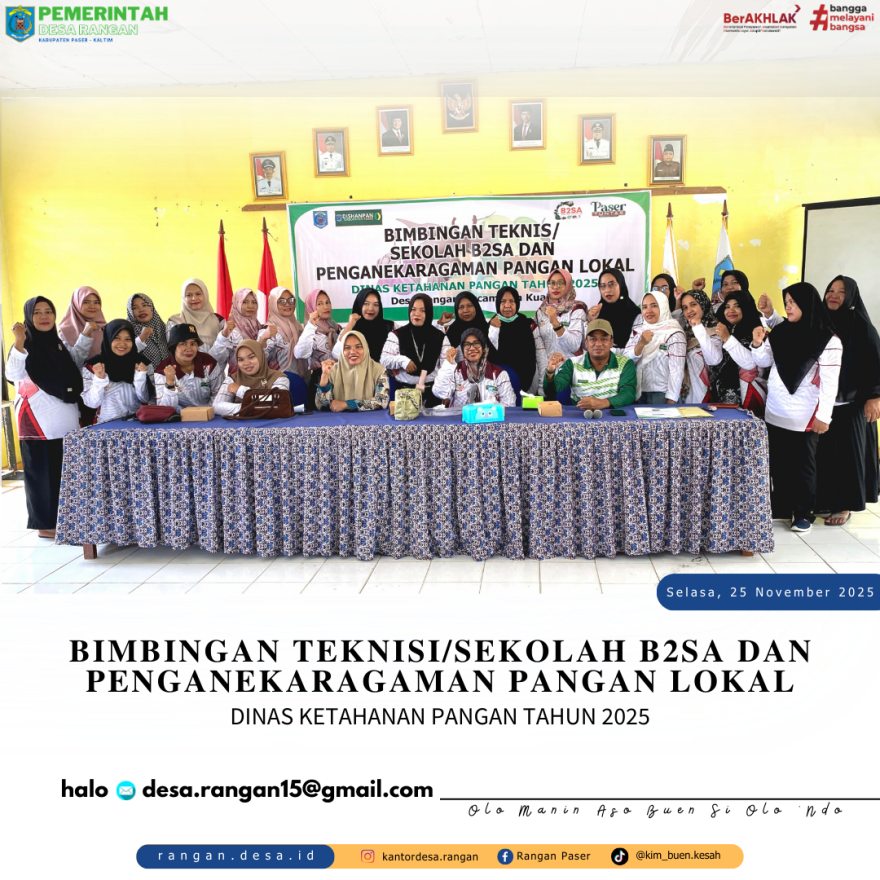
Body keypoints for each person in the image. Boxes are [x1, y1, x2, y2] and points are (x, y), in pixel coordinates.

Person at [751, 283, 843, 533]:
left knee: (803, 466)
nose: (788, 307)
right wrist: (758, 344)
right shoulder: (781, 331)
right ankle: (781, 506)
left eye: (793, 302)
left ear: (807, 304)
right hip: (776, 409)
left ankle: (804, 513)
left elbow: (830, 383)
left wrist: (824, 416)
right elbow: (765, 362)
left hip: (805, 414)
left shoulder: (828, 339)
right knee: (778, 463)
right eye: (787, 302)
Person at [6, 297, 94, 537]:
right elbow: (13, 374)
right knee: (42, 474)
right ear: (28, 317)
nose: (44, 316)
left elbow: (74, 364)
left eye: (48, 311)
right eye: (37, 312)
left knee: (62, 472)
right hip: (38, 422)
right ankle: (45, 525)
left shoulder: (56, 344)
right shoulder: (25, 345)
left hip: (64, 419)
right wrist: (19, 341)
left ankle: (65, 519)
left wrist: (86, 335)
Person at [815, 276, 880, 525]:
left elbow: (875, 362)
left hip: (852, 403)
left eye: (841, 291)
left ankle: (844, 505)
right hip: (823, 402)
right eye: (830, 290)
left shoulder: (861, 325)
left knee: (847, 455)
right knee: (824, 454)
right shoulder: (819, 321)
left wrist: (875, 396)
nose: (833, 295)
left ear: (851, 296)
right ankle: (825, 500)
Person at [543, 319, 637, 410]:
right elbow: (551, 391)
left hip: (613, 415)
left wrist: (602, 403)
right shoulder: (572, 363)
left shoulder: (625, 363)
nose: (598, 344)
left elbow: (628, 394)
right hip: (580, 416)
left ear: (611, 342)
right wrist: (550, 371)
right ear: (586, 343)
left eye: (604, 339)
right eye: (593, 339)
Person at [381, 293, 450, 406]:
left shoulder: (440, 337)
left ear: (429, 312)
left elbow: (446, 368)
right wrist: (402, 361)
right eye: (413, 309)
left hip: (433, 394)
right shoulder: (397, 335)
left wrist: (446, 393)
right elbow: (384, 360)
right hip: (404, 394)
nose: (417, 314)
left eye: (422, 310)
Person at [706, 290, 769, 414]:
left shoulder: (758, 333)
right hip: (720, 398)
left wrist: (727, 339)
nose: (731, 310)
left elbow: (750, 364)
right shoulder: (723, 330)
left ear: (746, 308)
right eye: (727, 307)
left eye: (737, 306)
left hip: (748, 399)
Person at [81, 320, 153, 424]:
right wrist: (99, 380)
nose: (122, 343)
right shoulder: (93, 366)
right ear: (108, 338)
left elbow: (146, 399)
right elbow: (92, 403)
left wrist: (140, 377)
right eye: (117, 338)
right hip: (107, 425)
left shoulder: (143, 364)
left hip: (137, 424)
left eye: (128, 339)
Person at [625, 292, 686, 404]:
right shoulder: (638, 331)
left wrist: (671, 400)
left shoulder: (674, 333)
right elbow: (626, 361)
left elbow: (677, 371)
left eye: (654, 305)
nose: (648, 311)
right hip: (637, 393)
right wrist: (641, 344)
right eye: (644, 307)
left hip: (662, 395)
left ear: (663, 306)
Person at [487, 285, 547, 394]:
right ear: (497, 304)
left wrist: (542, 384)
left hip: (528, 384)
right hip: (498, 387)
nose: (507, 305)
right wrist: (493, 329)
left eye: (512, 301)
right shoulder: (491, 325)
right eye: (503, 301)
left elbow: (540, 353)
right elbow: (490, 355)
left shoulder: (528, 324)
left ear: (517, 303)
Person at [433, 328, 516, 407]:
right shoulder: (455, 371)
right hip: (460, 416)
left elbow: (509, 405)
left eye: (476, 343)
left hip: (489, 416)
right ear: (462, 349)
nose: (472, 348)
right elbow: (440, 393)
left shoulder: (498, 373)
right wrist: (448, 364)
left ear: (483, 347)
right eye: (466, 344)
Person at [154, 323, 225, 411]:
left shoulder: (209, 363)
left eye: (193, 343)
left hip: (209, 413)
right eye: (183, 343)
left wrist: (207, 412)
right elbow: (164, 409)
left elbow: (218, 395)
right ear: (174, 347)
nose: (189, 349)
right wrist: (169, 385)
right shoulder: (162, 371)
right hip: (178, 416)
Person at [316, 331, 390, 412]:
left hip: (369, 418)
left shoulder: (378, 370)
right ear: (342, 351)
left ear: (365, 348)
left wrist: (347, 405)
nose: (353, 352)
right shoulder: (332, 370)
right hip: (337, 418)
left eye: (358, 347)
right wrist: (325, 375)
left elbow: (382, 401)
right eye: (347, 348)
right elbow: (321, 405)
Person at [213, 340, 290, 417]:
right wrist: (249, 408)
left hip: (272, 423)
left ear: (260, 356)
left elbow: (278, 402)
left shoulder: (279, 378)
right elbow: (217, 406)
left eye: (251, 357)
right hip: (241, 423)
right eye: (241, 360)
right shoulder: (232, 379)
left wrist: (241, 391)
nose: (246, 363)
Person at [293, 289, 341, 411]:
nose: (326, 306)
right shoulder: (310, 332)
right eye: (320, 304)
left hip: (340, 380)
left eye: (327, 302)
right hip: (320, 381)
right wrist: (311, 326)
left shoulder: (336, 328)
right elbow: (300, 354)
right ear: (311, 307)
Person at [166, 278, 234, 362]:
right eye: (189, 295)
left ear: (205, 294)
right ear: (183, 297)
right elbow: (175, 353)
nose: (194, 298)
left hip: (217, 369)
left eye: (198, 294)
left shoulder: (219, 320)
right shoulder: (175, 322)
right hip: (187, 370)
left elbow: (225, 355)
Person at [223, 287, 288, 372]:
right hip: (238, 376)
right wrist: (263, 339)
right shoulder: (229, 330)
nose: (250, 306)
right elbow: (221, 358)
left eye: (254, 302)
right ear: (236, 304)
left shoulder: (260, 327)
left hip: (261, 376)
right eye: (245, 302)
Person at [679, 290, 723, 404]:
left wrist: (698, 327)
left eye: (693, 304)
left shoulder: (716, 330)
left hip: (707, 399)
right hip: (685, 399)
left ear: (703, 304)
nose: (689, 310)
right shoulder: (684, 334)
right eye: (684, 307)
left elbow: (714, 359)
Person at [534, 269, 588, 358]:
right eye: (552, 283)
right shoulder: (541, 311)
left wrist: (556, 324)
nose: (555, 287)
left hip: (572, 365)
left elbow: (574, 346)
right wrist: (546, 367)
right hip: (549, 366)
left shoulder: (577, 309)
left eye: (561, 283)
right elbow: (539, 349)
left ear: (568, 285)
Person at [588, 268, 642, 355]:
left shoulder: (634, 313)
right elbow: (587, 346)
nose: (607, 290)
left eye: (611, 284)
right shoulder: (597, 312)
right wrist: (591, 321)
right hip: (599, 361)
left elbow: (636, 348)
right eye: (603, 286)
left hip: (626, 361)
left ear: (621, 285)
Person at [334, 287, 395, 364]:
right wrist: (350, 326)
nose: (371, 308)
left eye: (376, 304)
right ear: (359, 305)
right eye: (366, 304)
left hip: (384, 371)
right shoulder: (349, 330)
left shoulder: (390, 327)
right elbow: (336, 354)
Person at [438, 291, 498, 361]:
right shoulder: (453, 331)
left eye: (469, 305)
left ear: (476, 307)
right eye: (461, 307)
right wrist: (440, 323)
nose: (465, 310)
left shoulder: (487, 329)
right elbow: (441, 354)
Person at [266, 286, 308, 380]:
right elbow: (260, 359)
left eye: (290, 300)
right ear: (273, 303)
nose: (287, 304)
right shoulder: (268, 330)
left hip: (302, 381)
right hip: (278, 383)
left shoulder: (298, 326)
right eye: (281, 301)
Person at [59, 286, 106, 357]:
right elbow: (70, 361)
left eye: (96, 302)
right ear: (76, 303)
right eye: (86, 302)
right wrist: (85, 335)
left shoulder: (105, 328)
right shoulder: (64, 331)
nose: (92, 306)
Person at [127, 293, 170, 368]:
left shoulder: (163, 328)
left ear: (152, 307)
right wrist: (141, 338)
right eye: (135, 308)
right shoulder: (127, 331)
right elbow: (125, 354)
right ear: (130, 312)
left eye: (145, 305)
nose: (141, 310)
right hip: (144, 375)